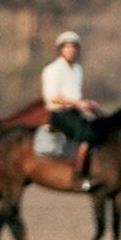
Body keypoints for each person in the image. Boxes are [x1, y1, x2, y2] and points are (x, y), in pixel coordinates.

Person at [42, 31, 101, 192]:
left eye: (74, 47)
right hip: (59, 114)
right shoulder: (53, 70)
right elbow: (52, 98)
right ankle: (78, 177)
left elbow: (75, 96)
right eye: (67, 46)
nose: (71, 50)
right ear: (61, 49)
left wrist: (87, 104)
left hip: (74, 111)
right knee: (86, 134)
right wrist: (77, 103)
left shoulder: (77, 69)